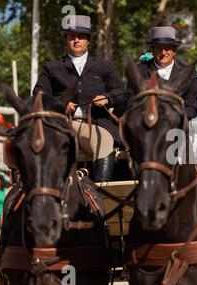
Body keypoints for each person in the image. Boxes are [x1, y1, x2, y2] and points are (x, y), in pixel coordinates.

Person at [33, 15, 126, 182]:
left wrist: (107, 98)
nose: (76, 40)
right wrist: (60, 103)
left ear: (88, 40)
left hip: (96, 123)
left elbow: (120, 92)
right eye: (72, 36)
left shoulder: (105, 66)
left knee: (103, 141)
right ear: (66, 40)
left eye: (81, 37)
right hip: (62, 122)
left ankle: (99, 195)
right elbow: (39, 94)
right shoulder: (52, 67)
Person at [133, 26, 197, 120]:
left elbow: (192, 108)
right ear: (152, 51)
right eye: (159, 48)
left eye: (167, 48)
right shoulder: (139, 71)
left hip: (176, 127)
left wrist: (172, 118)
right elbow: (131, 101)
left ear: (174, 51)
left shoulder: (189, 73)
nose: (163, 52)